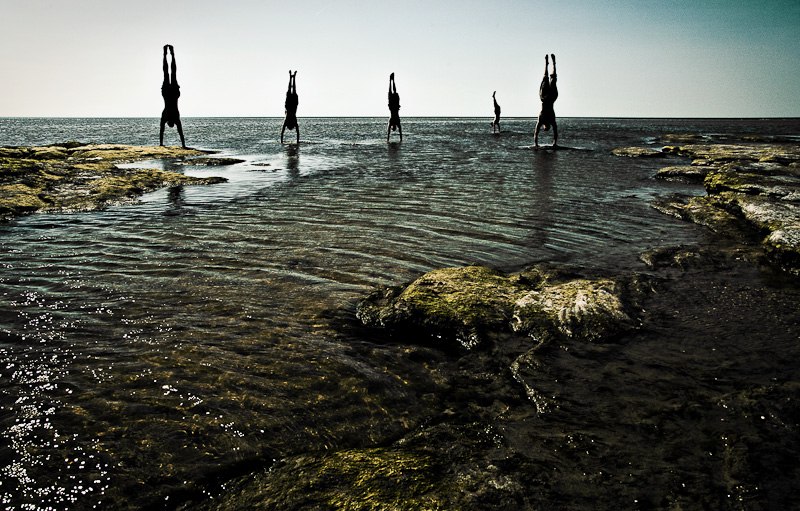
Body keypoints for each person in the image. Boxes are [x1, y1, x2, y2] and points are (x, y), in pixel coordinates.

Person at [159, 45, 186, 148]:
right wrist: (183, 145)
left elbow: (162, 131)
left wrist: (161, 144)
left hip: (172, 94)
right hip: (169, 93)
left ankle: (169, 54)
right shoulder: (172, 116)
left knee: (171, 73)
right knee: (168, 73)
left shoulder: (171, 116)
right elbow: (179, 132)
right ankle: (168, 53)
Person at [534, 54, 558, 148]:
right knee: (553, 79)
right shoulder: (552, 119)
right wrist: (554, 144)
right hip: (551, 98)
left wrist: (536, 144)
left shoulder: (541, 119)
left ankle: (546, 63)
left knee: (545, 78)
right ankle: (553, 63)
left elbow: (536, 132)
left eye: (545, 128)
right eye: (547, 128)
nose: (546, 127)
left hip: (544, 98)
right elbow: (555, 133)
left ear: (544, 126)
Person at [281, 70, 299, 144]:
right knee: (290, 90)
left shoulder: (290, 121)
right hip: (290, 105)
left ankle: (293, 77)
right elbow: (282, 133)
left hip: (292, 104)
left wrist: (281, 142)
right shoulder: (288, 121)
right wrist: (281, 141)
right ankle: (292, 77)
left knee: (293, 90)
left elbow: (298, 133)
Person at [387, 73, 402, 142]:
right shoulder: (393, 121)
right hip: (394, 107)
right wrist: (401, 140)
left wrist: (387, 140)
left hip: (394, 107)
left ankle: (392, 80)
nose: (391, 127)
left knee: (392, 92)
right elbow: (388, 132)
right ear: (394, 127)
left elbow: (400, 132)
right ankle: (391, 80)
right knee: (392, 92)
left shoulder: (393, 121)